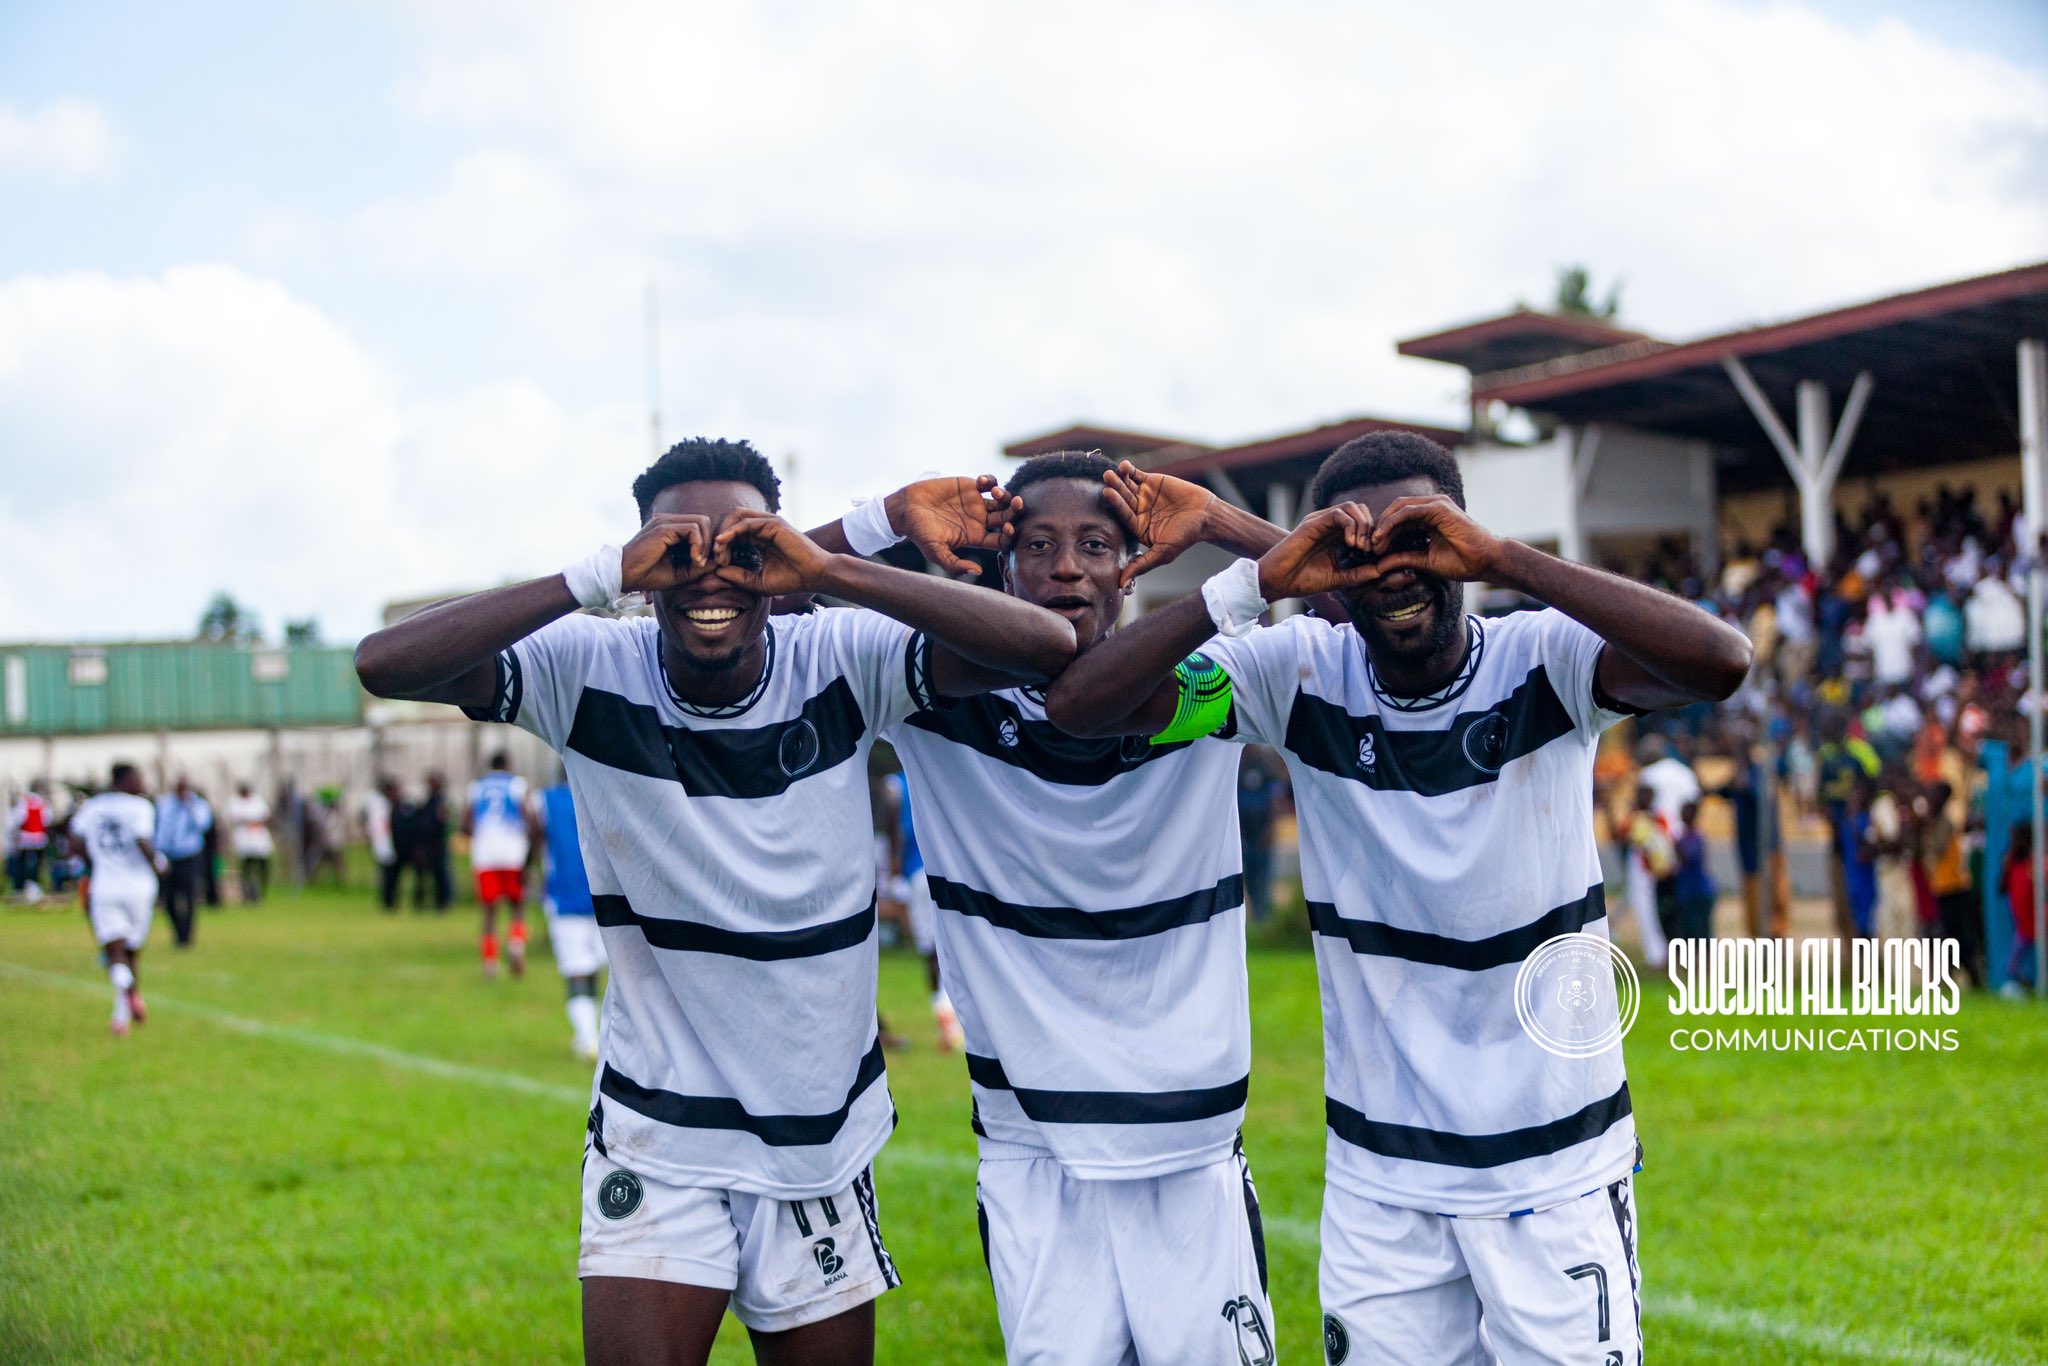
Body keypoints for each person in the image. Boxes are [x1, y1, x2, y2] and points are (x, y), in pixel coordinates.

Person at [352, 437, 1073, 1366]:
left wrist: (830, 564)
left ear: (778, 560)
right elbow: (385, 665)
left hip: (818, 1137)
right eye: (676, 549)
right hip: (660, 1133)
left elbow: (1047, 649)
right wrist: (596, 576)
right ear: (641, 564)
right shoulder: (587, 667)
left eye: (745, 547)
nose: (711, 573)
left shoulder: (841, 654)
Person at [1045, 430, 1751, 1364]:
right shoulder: (1295, 674)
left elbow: (1721, 662)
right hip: (1384, 1186)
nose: (1394, 570)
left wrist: (1506, 559)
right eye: (1359, 552)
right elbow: (1082, 711)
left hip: (1555, 1171)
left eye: (1420, 538)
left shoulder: (1544, 660)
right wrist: (1249, 575)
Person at [879, 451, 1285, 1363]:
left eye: (1096, 544)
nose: (1068, 567)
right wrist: (885, 522)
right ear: (1000, 562)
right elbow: (771, 611)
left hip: (1186, 1146)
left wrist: (1223, 524)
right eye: (1038, 545)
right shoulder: (929, 700)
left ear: (1133, 566)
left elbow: (1354, 605)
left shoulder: (1210, 686)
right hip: (1033, 1149)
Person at [70, 764, 164, 1036]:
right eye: (139, 777)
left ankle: (125, 1003)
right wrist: (159, 864)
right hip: (139, 887)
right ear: (126, 780)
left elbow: (74, 842)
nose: (143, 782)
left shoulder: (92, 807)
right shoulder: (139, 806)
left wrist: (96, 861)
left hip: (105, 886)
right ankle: (126, 1007)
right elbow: (143, 841)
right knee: (131, 951)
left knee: (116, 953)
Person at [885, 768, 960, 1051]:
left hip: (918, 872)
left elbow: (895, 828)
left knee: (931, 948)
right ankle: (953, 1015)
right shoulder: (940, 775)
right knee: (952, 945)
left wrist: (894, 868)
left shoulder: (895, 786)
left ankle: (946, 1016)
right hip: (950, 870)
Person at [534, 778, 607, 1060]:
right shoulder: (602, 789)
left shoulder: (546, 799)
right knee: (595, 966)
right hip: (604, 894)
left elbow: (535, 838)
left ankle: (588, 1039)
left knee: (576, 968)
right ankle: (596, 1035)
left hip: (565, 895)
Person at [464, 753, 536, 979]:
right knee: (517, 906)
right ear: (508, 766)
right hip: (513, 853)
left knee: (489, 913)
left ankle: (490, 963)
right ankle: (515, 944)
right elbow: (530, 819)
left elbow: (465, 823)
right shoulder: (517, 785)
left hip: (485, 855)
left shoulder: (476, 787)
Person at [154, 776, 213, 948]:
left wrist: (190, 806)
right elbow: (158, 828)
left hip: (188, 855)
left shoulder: (198, 805)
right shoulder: (164, 804)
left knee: (188, 897)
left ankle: (187, 935)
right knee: (169, 898)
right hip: (167, 856)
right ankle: (177, 931)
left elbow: (203, 825)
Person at [2001, 822, 2040, 998]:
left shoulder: (2034, 863)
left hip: (2037, 920)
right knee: (2014, 961)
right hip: (2023, 922)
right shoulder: (2012, 862)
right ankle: (2023, 985)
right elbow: (2002, 887)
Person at [1671, 800, 1716, 943]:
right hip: (1687, 892)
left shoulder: (1696, 837)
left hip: (1698, 891)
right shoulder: (1683, 836)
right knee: (1688, 930)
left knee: (1701, 930)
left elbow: (1688, 858)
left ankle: (1704, 960)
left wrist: (1674, 845)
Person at [226, 783, 274, 904]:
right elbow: (234, 818)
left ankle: (260, 892)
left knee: (262, 866)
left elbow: (266, 816)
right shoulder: (235, 801)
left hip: (259, 839)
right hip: (244, 840)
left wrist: (254, 821)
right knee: (246, 867)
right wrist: (249, 820)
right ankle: (247, 894)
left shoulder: (257, 800)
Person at [7, 781, 52, 902]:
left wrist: (13, 836)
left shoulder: (23, 801)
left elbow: (18, 819)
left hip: (25, 838)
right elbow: (47, 820)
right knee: (36, 864)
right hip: (39, 838)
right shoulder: (43, 802)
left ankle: (21, 886)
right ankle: (34, 884)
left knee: (22, 863)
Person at [361, 777, 401, 911]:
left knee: (386, 874)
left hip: (382, 844)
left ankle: (388, 900)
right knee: (388, 875)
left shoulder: (378, 804)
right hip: (385, 844)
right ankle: (388, 901)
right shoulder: (383, 805)